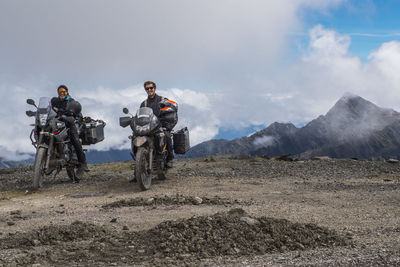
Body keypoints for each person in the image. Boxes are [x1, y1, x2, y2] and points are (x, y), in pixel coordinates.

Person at [51, 85, 89, 176]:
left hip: (70, 122)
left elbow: (75, 113)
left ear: (67, 92)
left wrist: (70, 115)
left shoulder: (71, 101)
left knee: (75, 139)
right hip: (57, 122)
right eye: (60, 92)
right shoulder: (55, 101)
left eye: (64, 92)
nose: (62, 93)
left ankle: (82, 163)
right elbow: (50, 109)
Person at [140, 81, 176, 168]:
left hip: (161, 126)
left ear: (154, 88)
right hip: (148, 127)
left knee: (166, 136)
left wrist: (167, 127)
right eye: (147, 88)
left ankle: (170, 159)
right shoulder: (144, 104)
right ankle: (137, 171)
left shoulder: (163, 100)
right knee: (135, 138)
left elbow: (172, 112)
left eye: (151, 88)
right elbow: (141, 116)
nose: (149, 90)